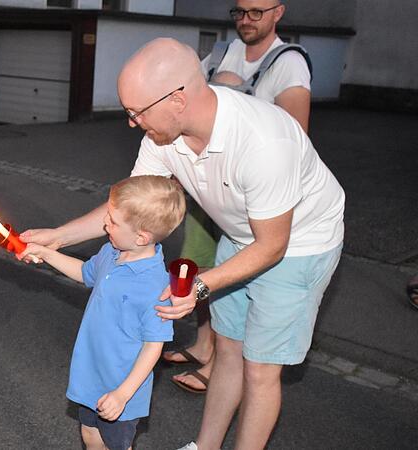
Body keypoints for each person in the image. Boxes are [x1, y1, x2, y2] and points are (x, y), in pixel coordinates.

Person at [165, 0, 313, 395]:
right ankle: (204, 343)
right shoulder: (225, 50)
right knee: (199, 264)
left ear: (279, 12)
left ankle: (220, 360)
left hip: (252, 189)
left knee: (233, 269)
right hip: (210, 179)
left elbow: (294, 135)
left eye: (255, 13)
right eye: (239, 12)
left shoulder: (289, 62)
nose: (245, 20)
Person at [22, 175, 185, 450]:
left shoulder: (155, 288)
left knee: (116, 444)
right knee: (90, 435)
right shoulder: (112, 251)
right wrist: (47, 254)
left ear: (141, 236)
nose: (104, 224)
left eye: (113, 221)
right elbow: (85, 273)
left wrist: (123, 394)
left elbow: (153, 348)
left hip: (120, 385)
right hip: (91, 372)